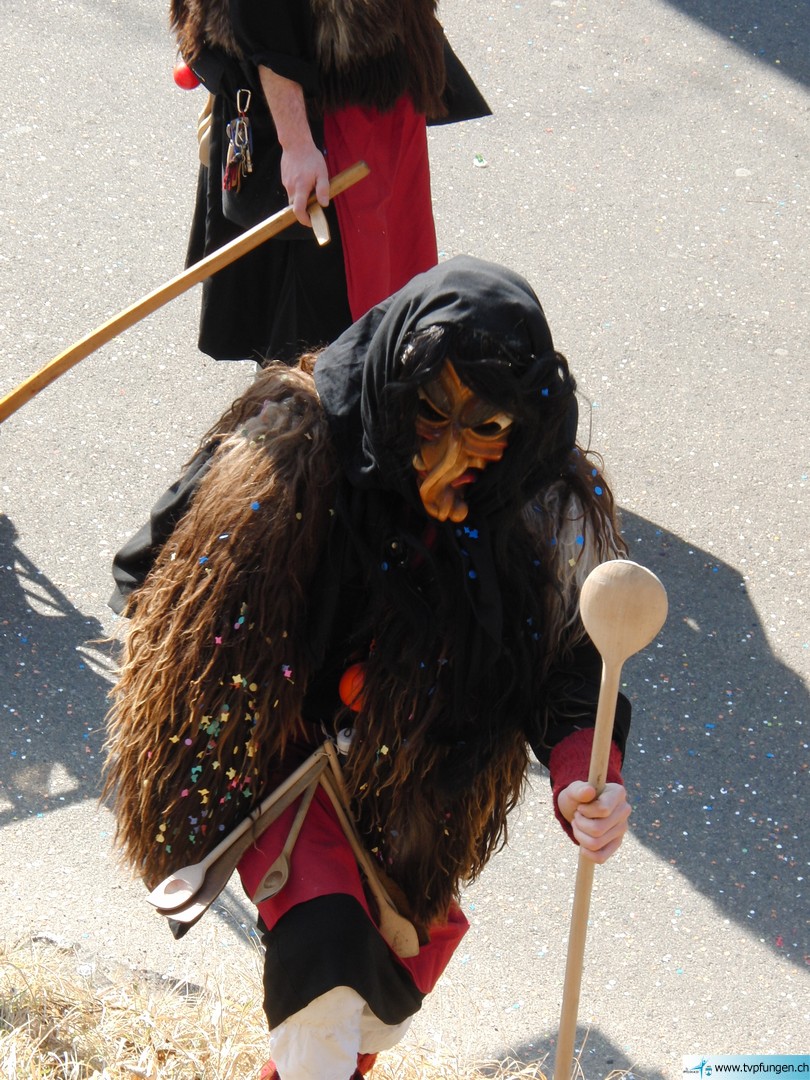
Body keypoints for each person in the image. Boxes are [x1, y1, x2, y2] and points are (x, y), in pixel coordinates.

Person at [103, 256, 633, 1080]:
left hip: (413, 775)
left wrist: (581, 774)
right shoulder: (296, 442)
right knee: (327, 967)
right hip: (278, 756)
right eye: (433, 412)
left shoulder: (534, 501)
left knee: (380, 995)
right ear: (397, 386)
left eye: (487, 426)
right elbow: (155, 567)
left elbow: (571, 659)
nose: (450, 455)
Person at [170, 0, 491, 364]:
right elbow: (264, 16)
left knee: (381, 305)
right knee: (321, 339)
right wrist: (296, 143)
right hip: (317, 108)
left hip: (368, 85)